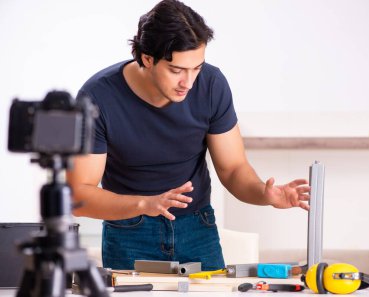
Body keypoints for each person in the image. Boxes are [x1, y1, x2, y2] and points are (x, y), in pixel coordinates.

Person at [67, 0, 310, 271]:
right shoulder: (98, 97)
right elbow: (79, 196)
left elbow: (233, 169)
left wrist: (264, 195)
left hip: (197, 227)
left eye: (197, 68)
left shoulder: (212, 85)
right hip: (129, 230)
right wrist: (146, 204)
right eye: (176, 70)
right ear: (147, 58)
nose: (189, 82)